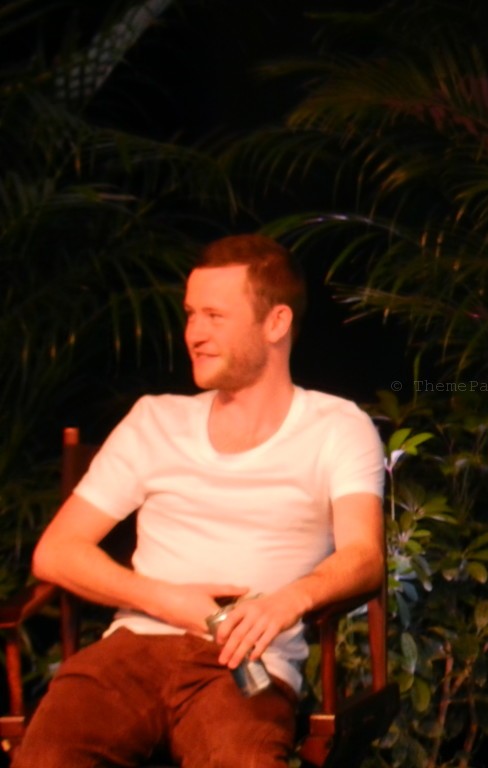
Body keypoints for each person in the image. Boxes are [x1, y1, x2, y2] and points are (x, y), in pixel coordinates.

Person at [14, 234, 385, 767]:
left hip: (242, 662)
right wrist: (169, 600)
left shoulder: (335, 426)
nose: (194, 333)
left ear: (276, 323)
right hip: (130, 653)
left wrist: (285, 602)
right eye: (191, 314)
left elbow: (364, 557)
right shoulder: (155, 420)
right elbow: (56, 552)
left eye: (214, 315)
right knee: (48, 755)